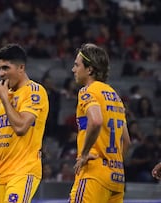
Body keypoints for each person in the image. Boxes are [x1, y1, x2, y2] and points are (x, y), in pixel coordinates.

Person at [0, 43, 49, 203]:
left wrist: (4, 98)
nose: (1, 73)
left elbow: (21, 127)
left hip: (23, 171)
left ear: (21, 68)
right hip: (1, 175)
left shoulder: (34, 91)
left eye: (6, 68)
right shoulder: (2, 99)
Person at [69, 43, 131, 203]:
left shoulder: (87, 91)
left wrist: (83, 155)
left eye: (77, 65)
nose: (73, 70)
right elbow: (127, 141)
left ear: (89, 69)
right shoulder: (115, 97)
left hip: (93, 175)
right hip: (116, 180)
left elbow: (96, 121)